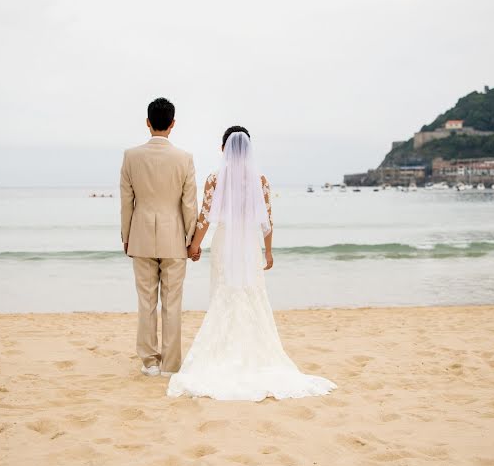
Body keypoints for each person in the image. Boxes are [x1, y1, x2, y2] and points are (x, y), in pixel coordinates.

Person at [166, 127, 337, 401]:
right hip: (248, 246)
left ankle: (225, 351)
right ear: (249, 150)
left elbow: (205, 217)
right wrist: (267, 253)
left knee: (224, 292)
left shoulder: (214, 179)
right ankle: (253, 352)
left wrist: (194, 245)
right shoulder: (260, 179)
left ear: (223, 149)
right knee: (250, 294)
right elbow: (266, 221)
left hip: (224, 244)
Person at [120, 98, 198, 377]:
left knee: (146, 301)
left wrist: (126, 236)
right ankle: (171, 365)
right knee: (172, 302)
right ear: (173, 124)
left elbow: (126, 201)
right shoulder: (185, 158)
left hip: (140, 235)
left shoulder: (131, 156)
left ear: (148, 122)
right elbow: (190, 205)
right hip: (175, 238)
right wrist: (192, 240)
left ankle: (149, 361)